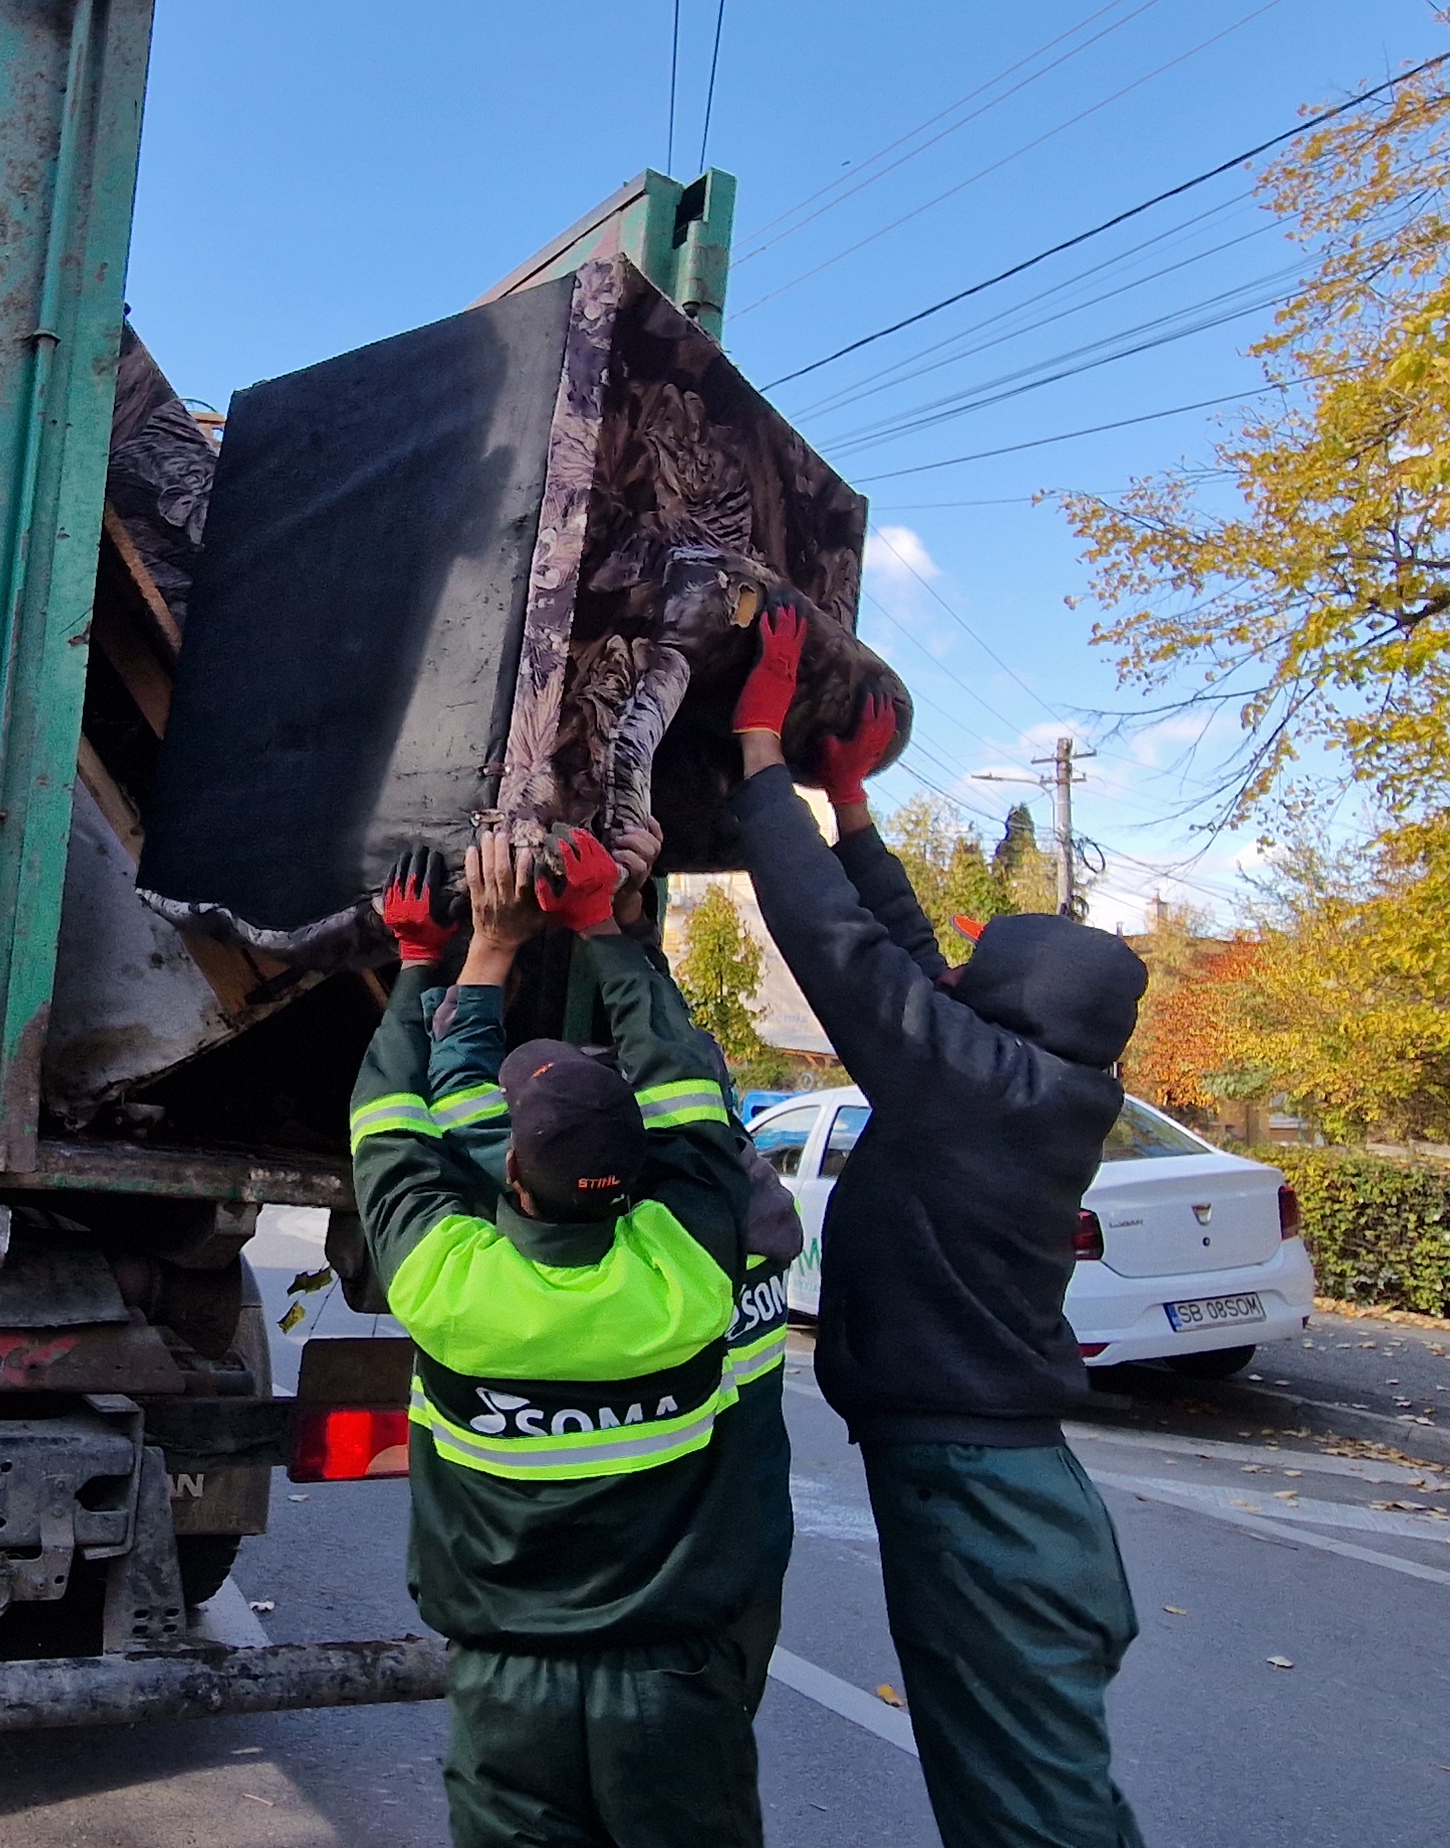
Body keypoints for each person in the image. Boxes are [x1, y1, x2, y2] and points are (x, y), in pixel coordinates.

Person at [720, 608, 1156, 1848]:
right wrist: (850, 802)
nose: (947, 982)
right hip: (1000, 1490)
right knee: (1026, 1789)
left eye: (974, 982)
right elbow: (910, 958)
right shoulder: (1028, 1077)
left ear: (1007, 1015)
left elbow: (844, 952)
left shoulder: (981, 1087)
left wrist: (762, 748)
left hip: (986, 1506)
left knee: (1028, 1809)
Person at [346, 825, 786, 1848]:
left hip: (509, 1690)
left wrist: (450, 957)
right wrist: (604, 928)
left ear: (505, 1176)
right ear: (642, 1187)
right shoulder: (692, 1272)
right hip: (673, 1682)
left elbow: (394, 1117)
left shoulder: (452, 1288)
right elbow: (685, 1093)